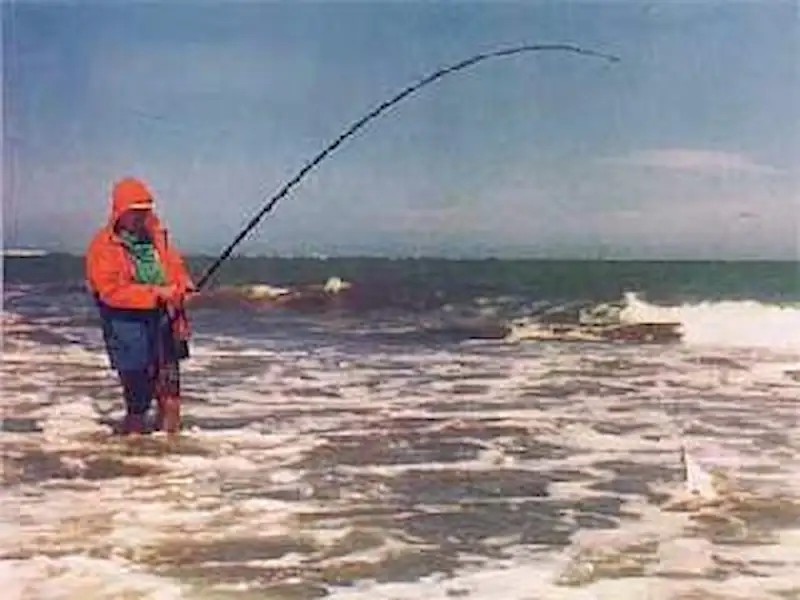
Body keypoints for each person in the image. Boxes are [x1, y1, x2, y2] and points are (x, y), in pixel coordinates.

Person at [85, 177, 194, 436]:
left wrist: (183, 287)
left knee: (171, 393)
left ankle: (171, 449)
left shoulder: (159, 239)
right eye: (134, 212)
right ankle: (132, 453)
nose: (139, 217)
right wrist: (154, 294)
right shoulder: (102, 245)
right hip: (127, 326)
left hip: (166, 319)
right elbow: (109, 291)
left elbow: (175, 270)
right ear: (119, 212)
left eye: (144, 211)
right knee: (138, 399)